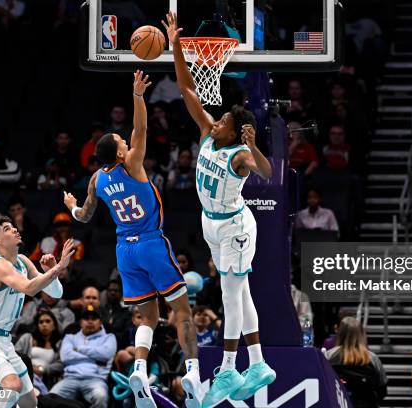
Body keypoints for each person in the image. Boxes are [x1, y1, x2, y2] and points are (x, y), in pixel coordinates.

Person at [63, 70, 204, 407]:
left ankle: (139, 366)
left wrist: (71, 206)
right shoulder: (133, 164)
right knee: (182, 312)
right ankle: (195, 373)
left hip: (124, 252)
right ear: (121, 154)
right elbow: (141, 129)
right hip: (151, 242)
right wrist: (138, 95)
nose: (127, 142)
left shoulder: (97, 179)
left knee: (149, 315)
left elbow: (83, 216)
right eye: (122, 142)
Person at [163, 12, 276, 406]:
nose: (216, 123)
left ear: (235, 132)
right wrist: (176, 42)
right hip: (211, 223)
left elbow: (266, 170)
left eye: (224, 121)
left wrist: (254, 143)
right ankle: (258, 363)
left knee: (231, 293)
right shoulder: (208, 132)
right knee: (240, 292)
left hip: (235, 226)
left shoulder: (241, 155)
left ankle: (228, 368)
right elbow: (186, 87)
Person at [0, 214, 72, 408]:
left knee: (30, 403)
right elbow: (29, 288)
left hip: (4, 341)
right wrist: (57, 268)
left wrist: (50, 272)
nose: (14, 229)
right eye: (7, 228)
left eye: (13, 226)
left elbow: (56, 293)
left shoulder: (23, 261)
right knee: (12, 385)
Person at [49, 305, 116, 408]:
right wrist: (95, 357)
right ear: (80, 322)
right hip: (70, 378)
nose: (90, 322)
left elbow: (106, 354)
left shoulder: (109, 338)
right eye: (86, 318)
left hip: (96, 379)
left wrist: (79, 349)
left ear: (100, 322)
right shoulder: (70, 338)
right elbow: (65, 357)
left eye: (94, 318)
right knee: (50, 398)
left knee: (101, 396)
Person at [325, 317, 387, 408]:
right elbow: (382, 391)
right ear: (361, 334)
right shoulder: (373, 359)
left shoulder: (328, 356)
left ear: (340, 333)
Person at [14, 310, 63, 393]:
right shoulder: (27, 338)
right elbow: (15, 355)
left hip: (45, 378)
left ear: (54, 325)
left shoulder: (59, 343)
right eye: (41, 322)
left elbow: (61, 364)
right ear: (37, 326)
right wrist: (30, 368)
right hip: (25, 373)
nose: (44, 324)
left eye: (48, 321)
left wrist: (42, 369)